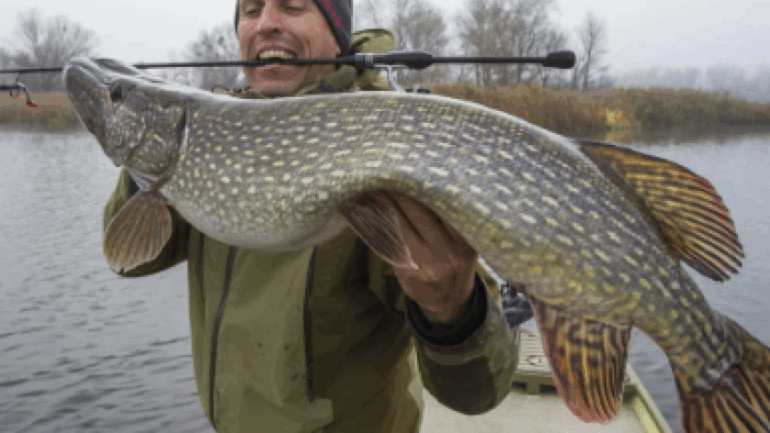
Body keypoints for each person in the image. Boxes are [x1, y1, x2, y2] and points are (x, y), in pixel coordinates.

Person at [103, 0, 521, 431]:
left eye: (292, 6)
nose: (266, 24)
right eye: (251, 10)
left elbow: (479, 391)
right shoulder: (212, 134)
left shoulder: (385, 139)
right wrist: (149, 154)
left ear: (337, 32)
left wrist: (453, 313)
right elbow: (132, 258)